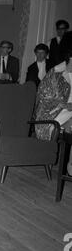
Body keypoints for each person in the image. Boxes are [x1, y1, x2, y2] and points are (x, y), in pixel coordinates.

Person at [35, 32, 72, 172]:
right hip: (58, 109)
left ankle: (69, 165)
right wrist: (62, 104)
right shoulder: (56, 73)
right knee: (51, 127)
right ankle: (50, 160)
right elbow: (44, 93)